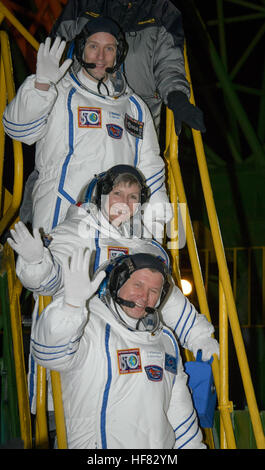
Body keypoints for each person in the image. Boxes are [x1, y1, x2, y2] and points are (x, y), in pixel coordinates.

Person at [8, 164, 219, 412]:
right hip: (85, 365)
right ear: (98, 195)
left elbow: (168, 302)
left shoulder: (146, 247)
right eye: (117, 194)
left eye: (133, 197)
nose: (125, 203)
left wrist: (200, 338)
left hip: (137, 374)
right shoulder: (74, 234)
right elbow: (49, 282)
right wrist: (37, 261)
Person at [3, 16, 171, 234]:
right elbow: (19, 129)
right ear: (81, 49)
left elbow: (149, 162)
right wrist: (41, 85)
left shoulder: (134, 106)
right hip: (61, 205)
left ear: (118, 54)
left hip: (117, 215)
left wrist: (157, 213)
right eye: (94, 46)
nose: (101, 56)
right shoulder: (59, 91)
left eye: (109, 48)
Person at [31, 249, 206, 449]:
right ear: (117, 283)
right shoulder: (88, 326)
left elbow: (179, 413)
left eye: (154, 291)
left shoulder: (165, 341)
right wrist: (71, 307)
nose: (144, 297)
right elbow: (49, 354)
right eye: (138, 285)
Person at [50, 0, 206, 134]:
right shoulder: (82, 3)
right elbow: (53, 54)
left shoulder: (162, 11)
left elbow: (169, 65)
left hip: (136, 118)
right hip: (78, 109)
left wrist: (177, 98)